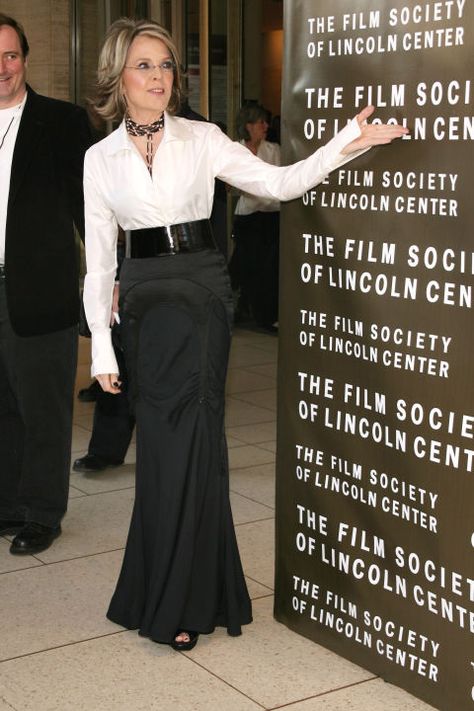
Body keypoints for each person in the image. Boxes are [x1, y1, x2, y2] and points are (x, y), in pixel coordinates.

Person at [83, 17, 408, 651]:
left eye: (166, 66)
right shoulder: (100, 159)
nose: (158, 77)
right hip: (144, 303)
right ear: (118, 76)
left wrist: (350, 140)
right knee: (160, 448)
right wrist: (100, 344)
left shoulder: (202, 138)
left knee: (193, 442)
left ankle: (182, 597)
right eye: (144, 65)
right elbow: (99, 261)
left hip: (200, 296)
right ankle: (164, 587)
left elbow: (279, 184)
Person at [0, 15, 93, 554]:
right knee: (2, 404)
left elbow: (89, 209)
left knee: (44, 407)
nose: (3, 68)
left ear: (26, 59)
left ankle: (41, 511)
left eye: (11, 55)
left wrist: (105, 276)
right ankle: (8, 503)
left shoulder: (61, 122)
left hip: (41, 289)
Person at [229, 103, 281, 331]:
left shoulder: (273, 150)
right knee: (243, 264)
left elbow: (279, 180)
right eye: (261, 122)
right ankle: (238, 306)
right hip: (248, 217)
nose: (266, 126)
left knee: (267, 268)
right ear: (249, 126)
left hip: (270, 215)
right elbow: (231, 185)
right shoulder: (235, 149)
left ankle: (264, 316)